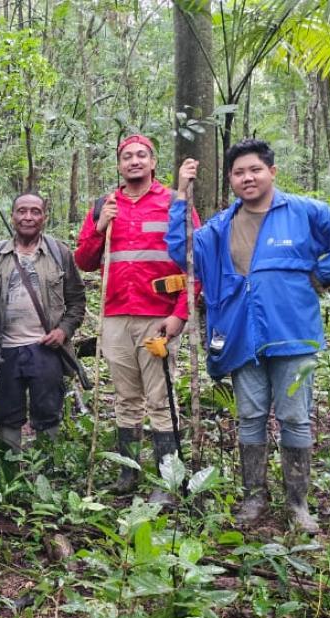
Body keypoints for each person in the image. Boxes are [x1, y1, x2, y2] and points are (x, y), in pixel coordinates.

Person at [167, 139, 330, 532]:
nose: (247, 178)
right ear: (230, 179)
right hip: (241, 333)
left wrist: (321, 274)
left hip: (292, 333)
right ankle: (254, 497)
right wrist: (181, 194)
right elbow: (183, 252)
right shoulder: (221, 225)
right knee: (250, 417)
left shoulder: (303, 212)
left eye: (254, 170)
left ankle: (297, 503)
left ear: (271, 172)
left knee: (295, 418)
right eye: (239, 172)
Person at [74, 135, 200, 505]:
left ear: (152, 162)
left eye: (140, 155)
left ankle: (168, 479)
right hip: (115, 316)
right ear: (118, 164)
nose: (133, 161)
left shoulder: (173, 202)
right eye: (126, 156)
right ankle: (127, 472)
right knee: (125, 398)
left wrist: (180, 314)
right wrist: (100, 228)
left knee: (161, 399)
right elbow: (83, 261)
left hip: (157, 317)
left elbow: (196, 259)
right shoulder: (104, 205)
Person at [0, 193, 86, 450]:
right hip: (5, 349)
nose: (27, 217)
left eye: (34, 212)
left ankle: (47, 472)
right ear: (12, 215)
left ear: (44, 217)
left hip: (46, 348)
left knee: (48, 409)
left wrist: (63, 331)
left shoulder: (59, 253)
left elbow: (77, 301)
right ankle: (10, 472)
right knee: (5, 411)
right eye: (21, 211)